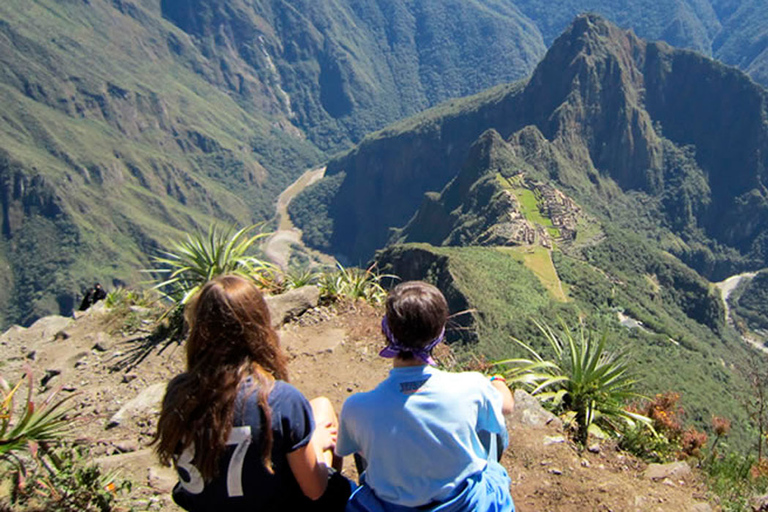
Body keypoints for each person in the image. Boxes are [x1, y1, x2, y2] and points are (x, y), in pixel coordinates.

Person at [154, 275, 351, 511]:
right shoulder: (280, 399)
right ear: (259, 325)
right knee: (323, 424)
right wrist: (317, 445)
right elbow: (315, 490)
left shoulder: (178, 395)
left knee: (320, 406)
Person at [336, 281, 515, 511]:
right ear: (439, 335)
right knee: (493, 430)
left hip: (390, 507)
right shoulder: (472, 387)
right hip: (465, 505)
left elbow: (349, 449)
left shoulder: (357, 408)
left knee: (367, 442)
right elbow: (507, 406)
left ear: (385, 331)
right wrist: (496, 381)